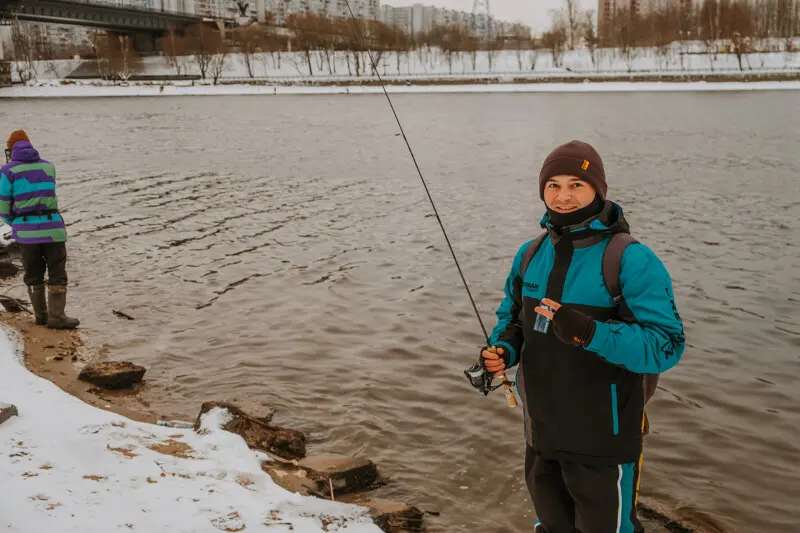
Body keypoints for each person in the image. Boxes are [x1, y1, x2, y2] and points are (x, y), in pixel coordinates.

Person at [480, 140, 685, 533]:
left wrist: (590, 332)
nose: (563, 196)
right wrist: (504, 349)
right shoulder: (530, 253)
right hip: (541, 429)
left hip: (604, 439)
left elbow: (666, 345)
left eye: (576, 184)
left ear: (597, 189)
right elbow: (514, 319)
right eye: (553, 185)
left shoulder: (630, 258)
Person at [0, 130, 79, 329]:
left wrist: (17, 222)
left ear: (10, 150)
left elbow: (2, 208)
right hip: (53, 228)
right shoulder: (49, 166)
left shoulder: (7, 171)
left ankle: (41, 316)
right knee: (57, 273)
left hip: (26, 234)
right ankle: (57, 317)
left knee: (33, 274)